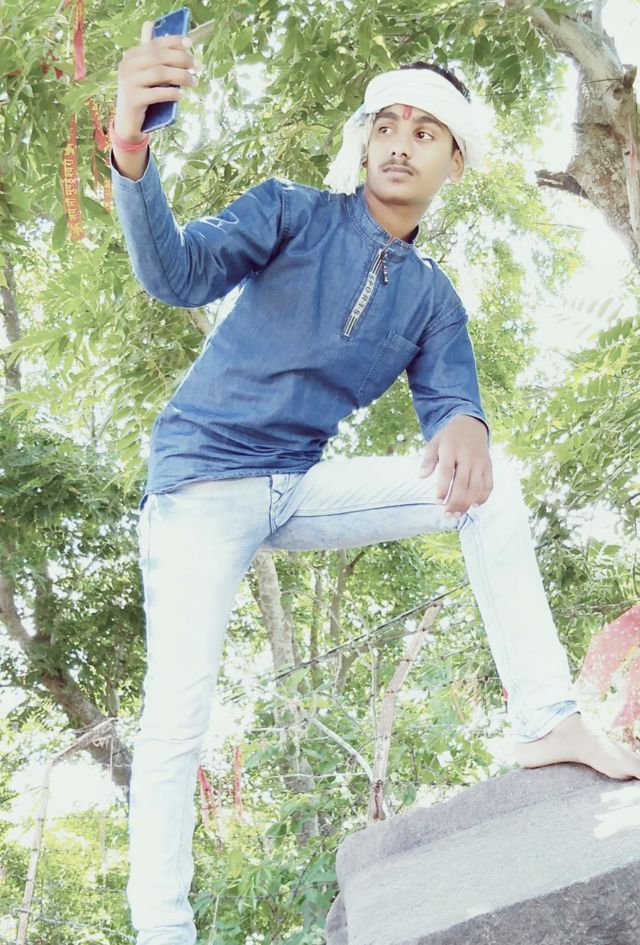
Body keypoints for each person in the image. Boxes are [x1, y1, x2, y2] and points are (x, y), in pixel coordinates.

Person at [110, 20, 640, 945]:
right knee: (177, 721)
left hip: (296, 489)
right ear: (364, 142)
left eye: (425, 131)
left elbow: (454, 408)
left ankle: (547, 718)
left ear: (454, 161)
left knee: (490, 490)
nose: (401, 142)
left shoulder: (431, 297)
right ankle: (163, 932)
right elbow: (176, 272)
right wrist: (130, 149)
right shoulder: (290, 212)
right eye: (386, 125)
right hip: (200, 486)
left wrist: (467, 420)